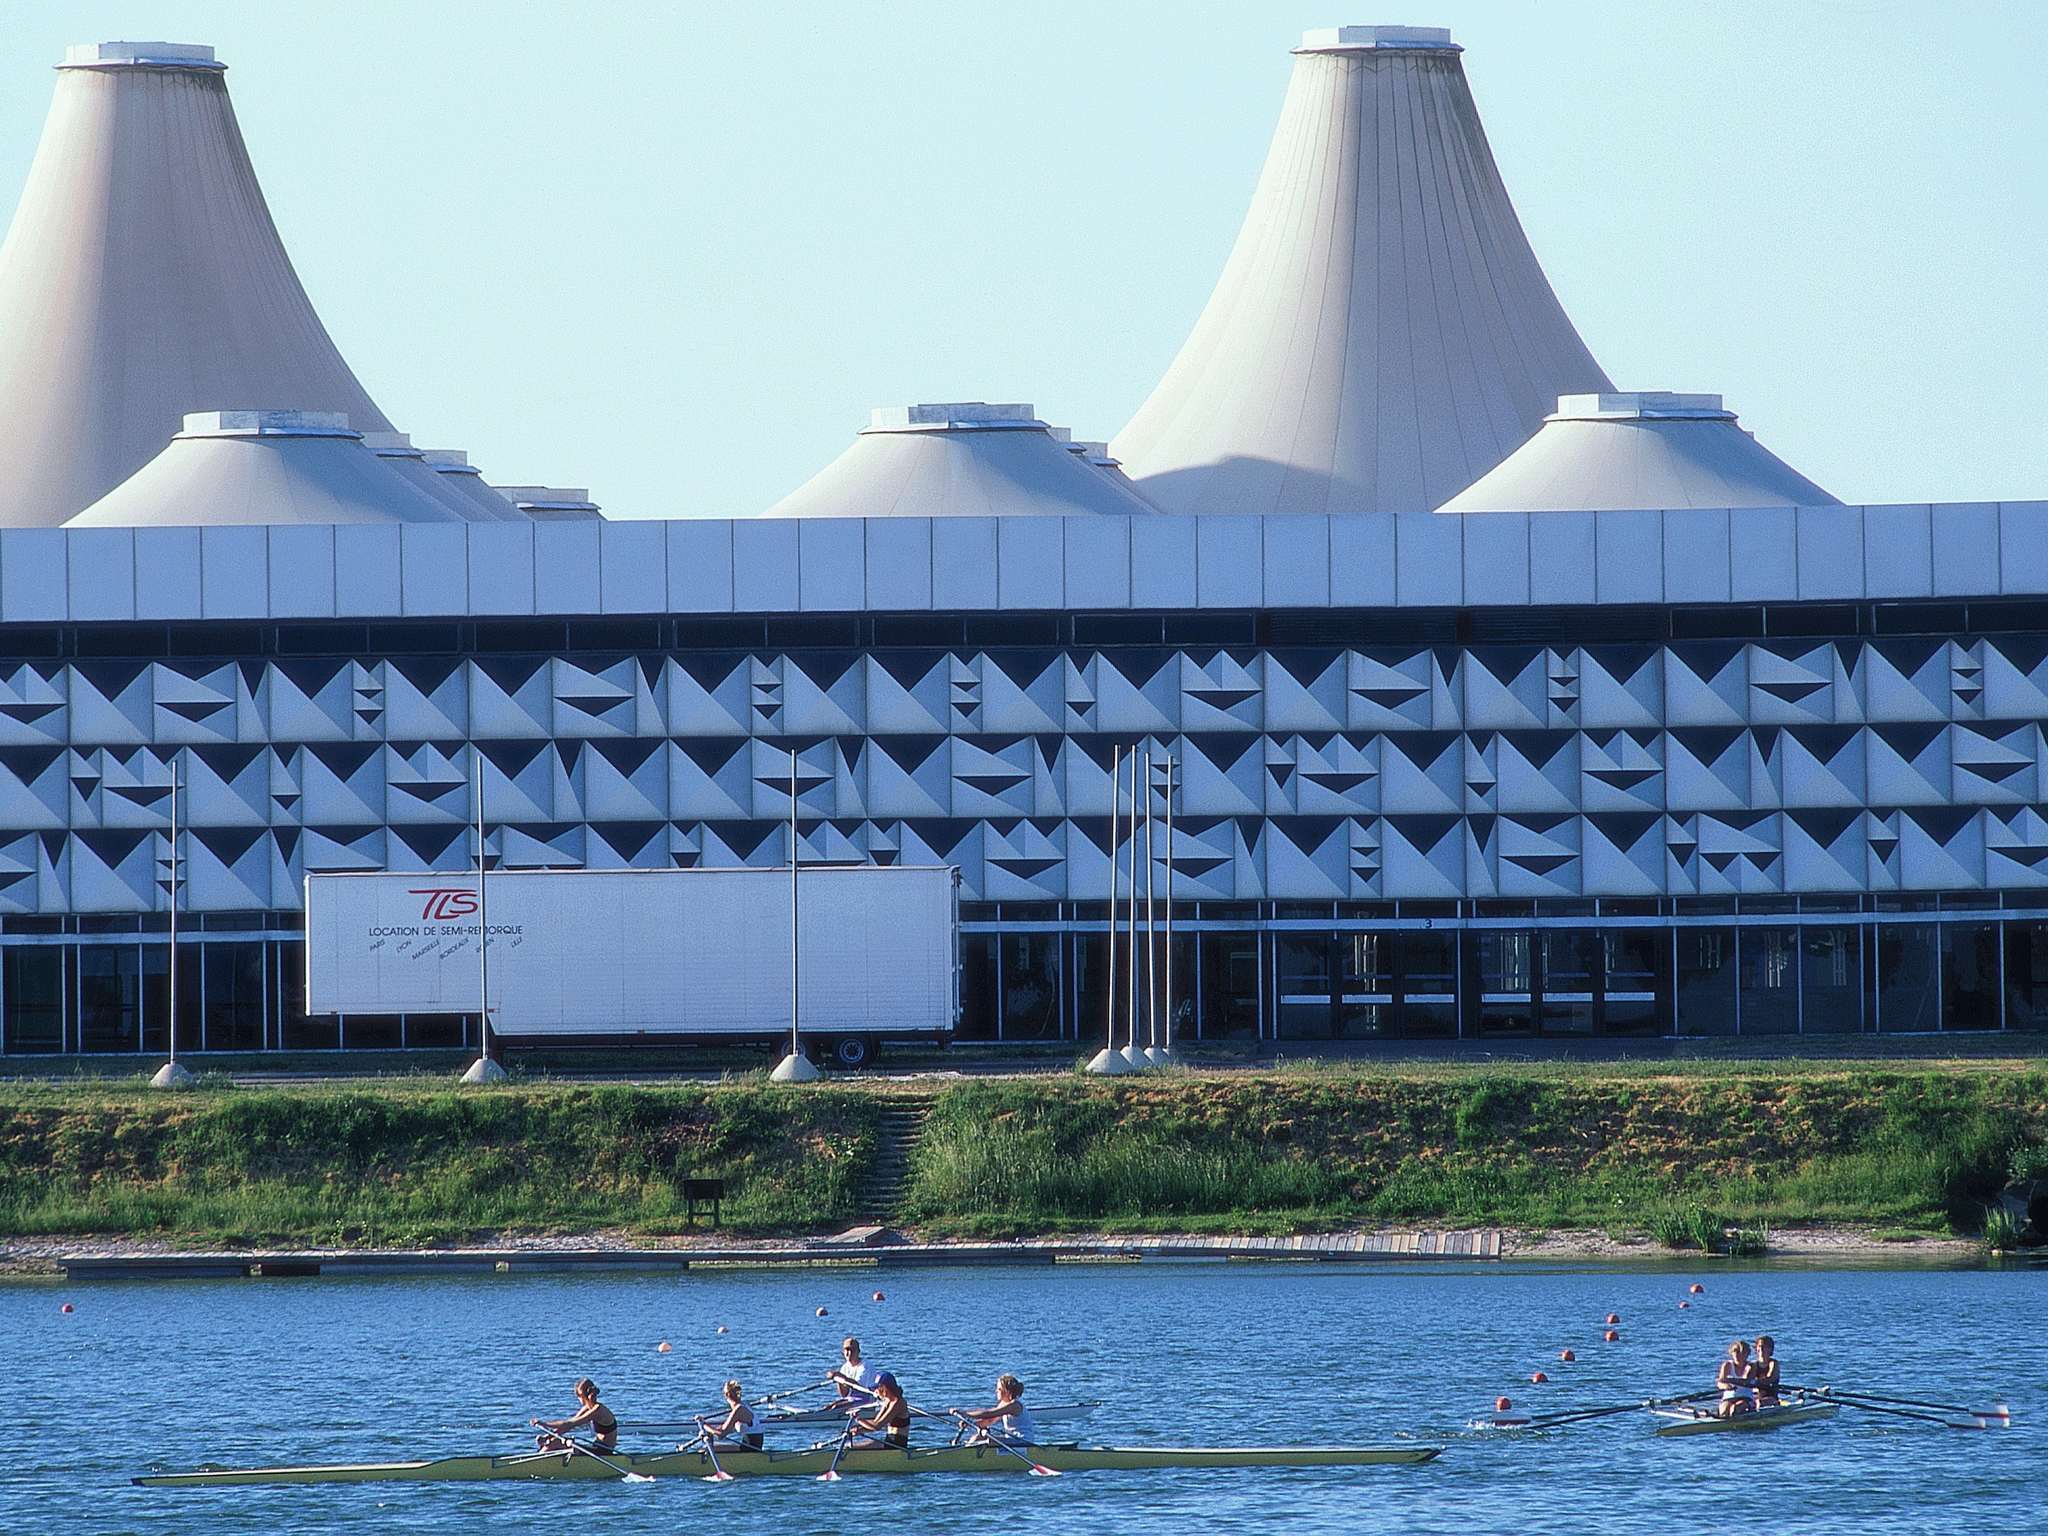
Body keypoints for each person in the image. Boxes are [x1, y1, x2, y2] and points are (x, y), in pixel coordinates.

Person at [533, 1378, 619, 1451]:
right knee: (552, 1442)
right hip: (596, 1446)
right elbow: (569, 1425)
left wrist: (544, 1424)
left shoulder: (598, 1410)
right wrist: (548, 1436)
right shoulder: (587, 1408)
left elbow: (571, 1423)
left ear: (582, 1396)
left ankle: (533, 1467)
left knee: (552, 1445)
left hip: (604, 1451)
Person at [956, 1374, 1037, 1445]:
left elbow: (988, 1414)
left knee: (984, 1440)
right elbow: (989, 1421)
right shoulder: (1003, 1404)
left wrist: (964, 1413)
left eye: (999, 1389)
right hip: (1012, 1440)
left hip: (1023, 1442)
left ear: (1006, 1391)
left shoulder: (1014, 1405)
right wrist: (969, 1424)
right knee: (978, 1437)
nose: (996, 1391)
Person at [848, 1371, 911, 1450]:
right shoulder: (887, 1401)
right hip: (889, 1442)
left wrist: (858, 1419)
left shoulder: (898, 1403)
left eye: (877, 1388)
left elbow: (877, 1426)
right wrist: (860, 1430)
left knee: (854, 1447)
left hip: (898, 1445)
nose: (875, 1391)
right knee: (851, 1446)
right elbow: (876, 1422)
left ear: (884, 1388)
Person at [698, 1379, 763, 1450]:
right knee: (710, 1446)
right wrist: (709, 1430)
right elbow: (723, 1428)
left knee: (706, 1449)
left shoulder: (739, 1409)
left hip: (750, 1449)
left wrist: (703, 1425)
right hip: (752, 1446)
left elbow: (721, 1435)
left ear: (726, 1395)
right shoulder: (745, 1406)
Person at [829, 1337, 879, 1404]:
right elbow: (844, 1394)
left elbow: (858, 1388)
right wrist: (838, 1381)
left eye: (852, 1350)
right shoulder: (845, 1367)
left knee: (837, 1406)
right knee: (831, 1406)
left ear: (858, 1351)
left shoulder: (866, 1366)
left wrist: (840, 1376)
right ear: (843, 1352)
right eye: (847, 1349)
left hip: (866, 1400)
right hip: (852, 1399)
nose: (849, 1353)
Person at [1716, 1340, 1757, 1418]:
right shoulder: (1727, 1365)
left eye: (1742, 1352)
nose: (1738, 1355)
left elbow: (1746, 1381)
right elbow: (1720, 1383)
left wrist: (1730, 1381)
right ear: (1731, 1353)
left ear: (1747, 1354)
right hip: (1729, 1397)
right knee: (1724, 1411)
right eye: (1735, 1351)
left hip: (1746, 1398)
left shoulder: (1751, 1366)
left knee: (1735, 1409)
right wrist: (1725, 1386)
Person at [1752, 1336, 1781, 1409]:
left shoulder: (1773, 1363)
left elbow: (1770, 1379)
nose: (1761, 1349)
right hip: (1756, 1395)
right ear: (1756, 1349)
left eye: (1764, 1346)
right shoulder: (1754, 1365)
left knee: (1759, 1402)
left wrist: (1755, 1382)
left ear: (1770, 1349)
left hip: (1771, 1397)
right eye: (1760, 1346)